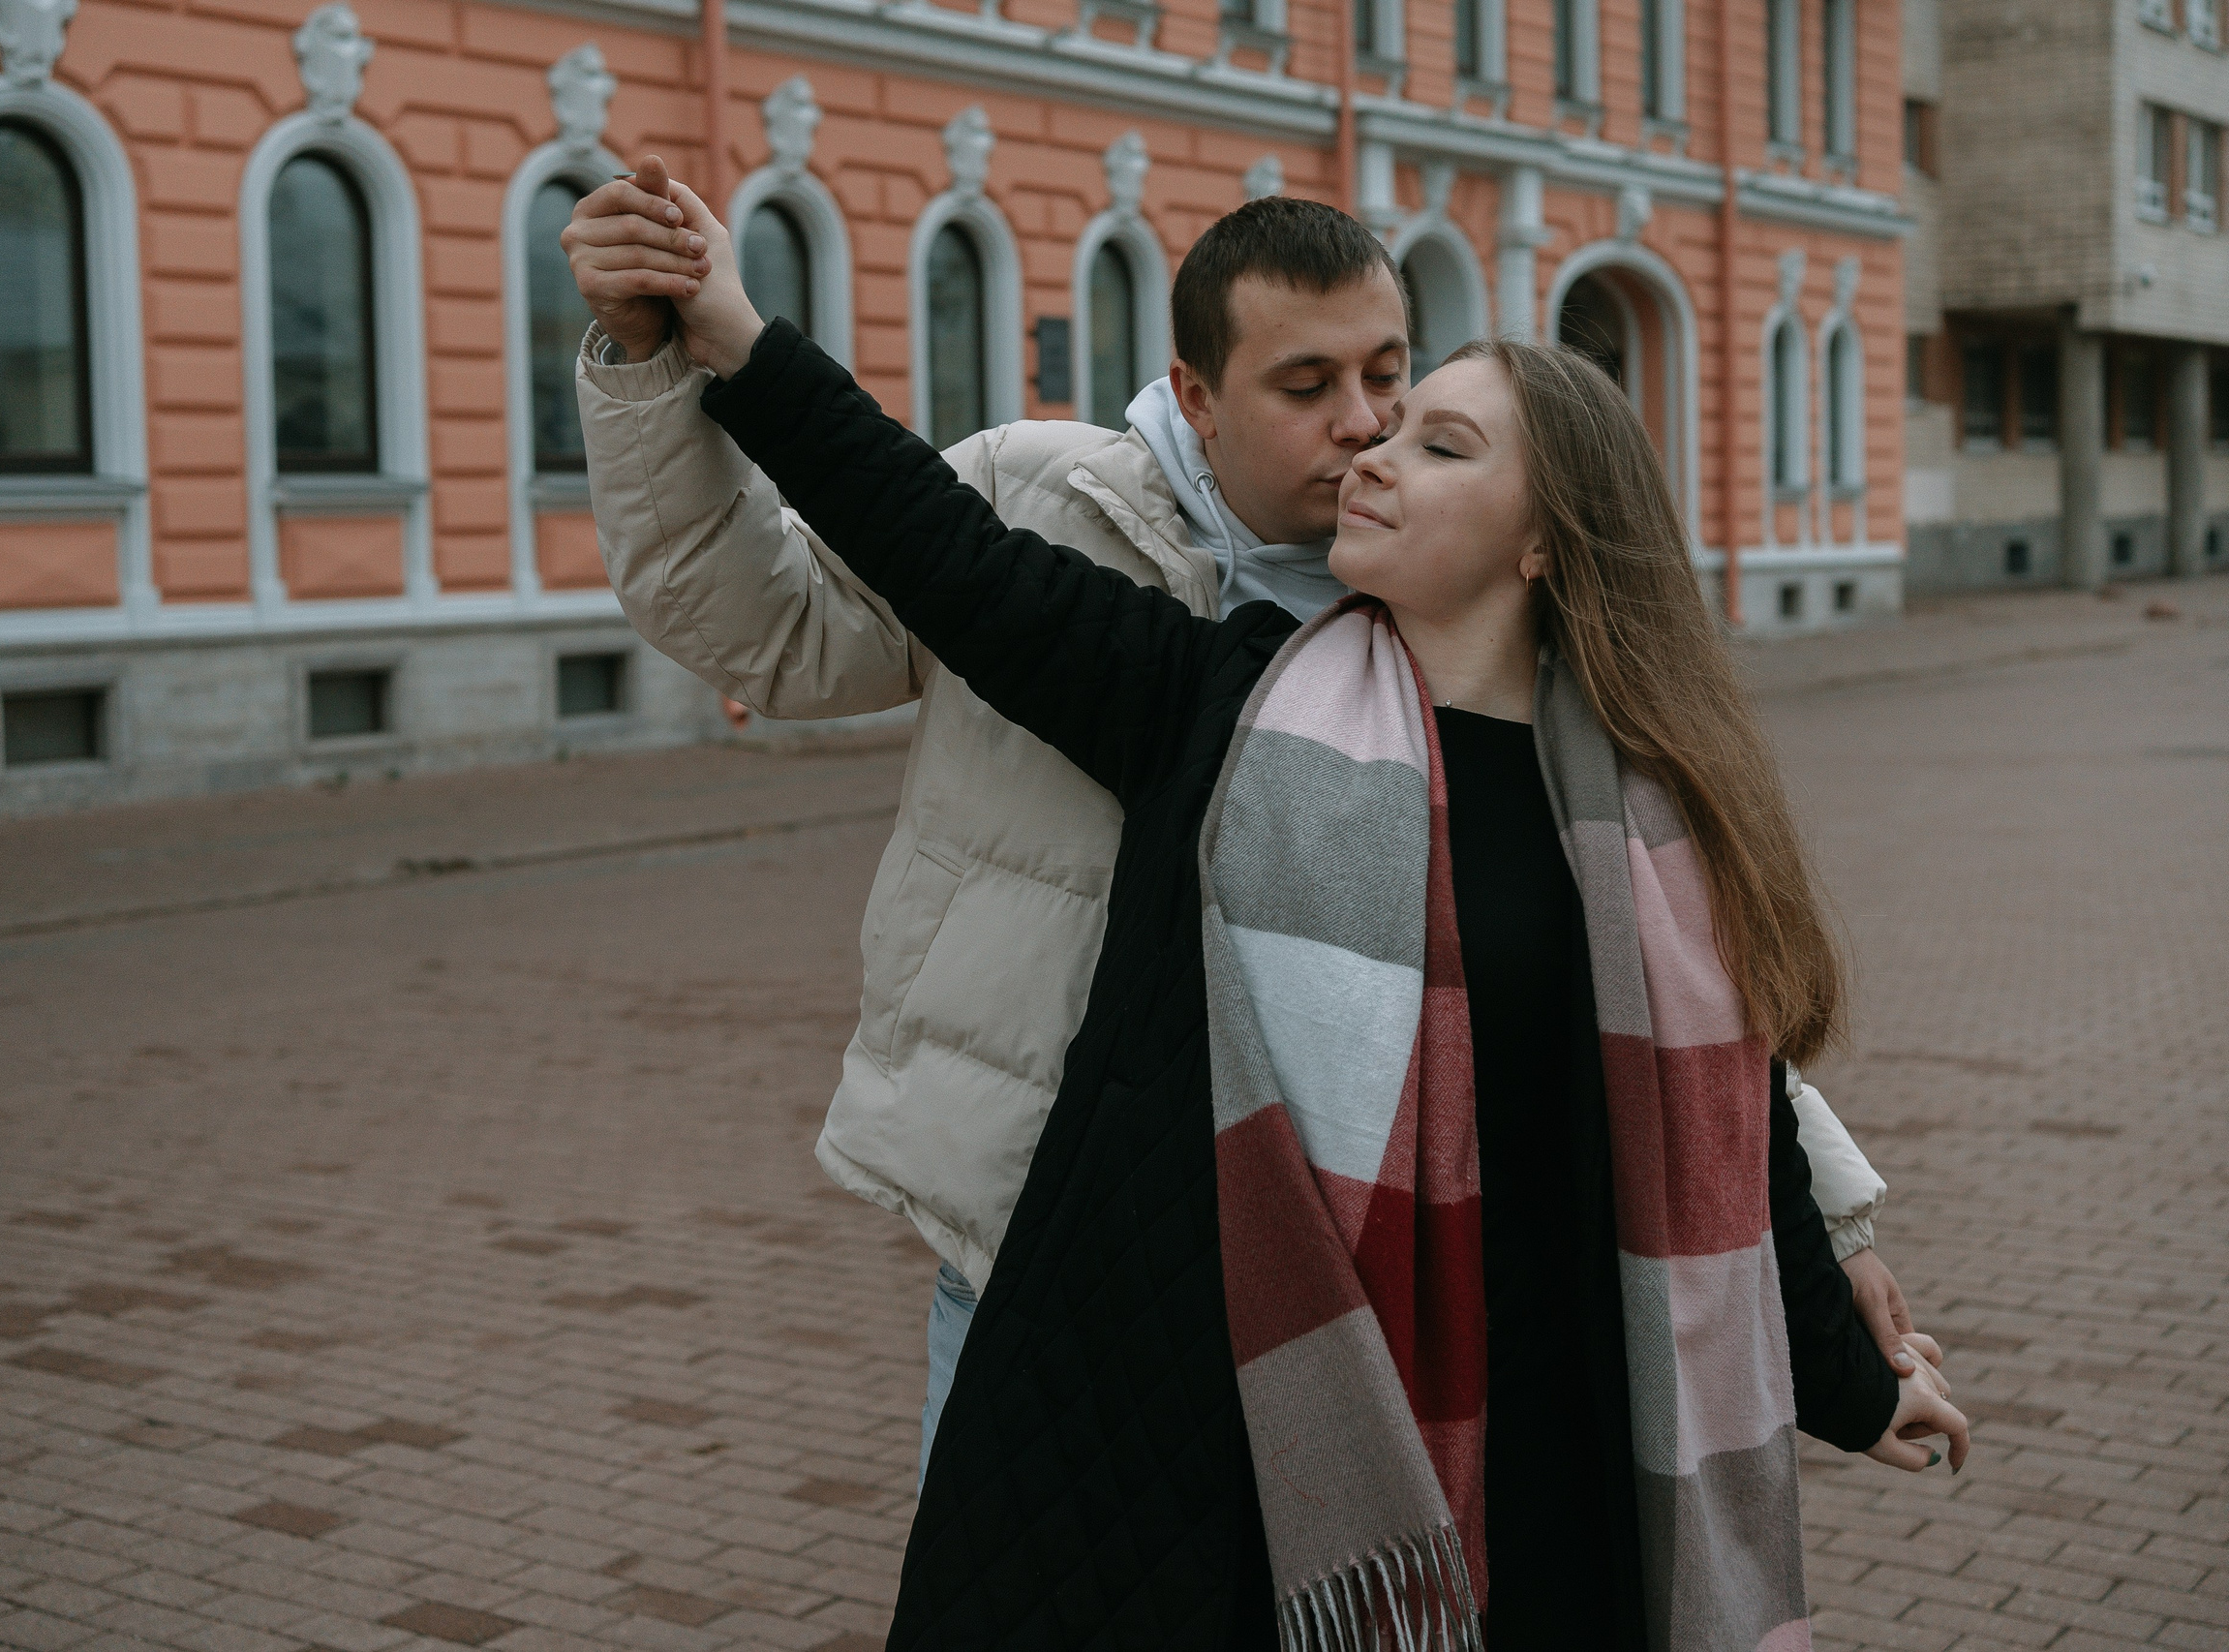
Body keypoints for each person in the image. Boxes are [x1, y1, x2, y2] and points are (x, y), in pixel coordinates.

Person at [619, 192, 1972, 1649]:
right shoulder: (1221, 697)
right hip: (1246, 1389)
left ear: (1542, 543)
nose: (1372, 446)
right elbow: (944, 551)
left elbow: (1726, 1107)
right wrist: (733, 340)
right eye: (1366, 418)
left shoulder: (1644, 815)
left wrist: (1851, 1370)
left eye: (1430, 434)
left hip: (1545, 1430)